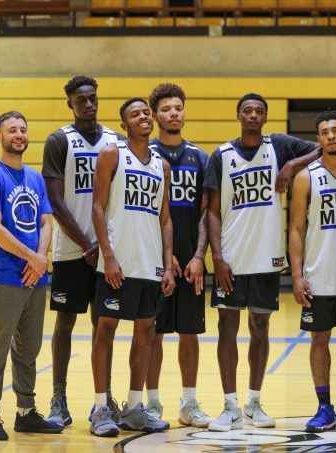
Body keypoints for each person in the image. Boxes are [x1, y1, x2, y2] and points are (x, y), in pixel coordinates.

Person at [203, 93, 320, 431]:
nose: (253, 115)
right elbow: (211, 211)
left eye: (259, 111)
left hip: (267, 257)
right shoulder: (221, 156)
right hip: (231, 258)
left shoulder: (280, 146)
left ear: (265, 117)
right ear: (238, 115)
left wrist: (292, 165)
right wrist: (218, 258)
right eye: (247, 110)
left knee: (260, 327)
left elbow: (322, 149)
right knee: (227, 328)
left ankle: (254, 401)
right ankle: (229, 405)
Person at [89, 98, 175, 437]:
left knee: (146, 333)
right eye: (134, 114)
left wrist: (167, 265)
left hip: (149, 263)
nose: (143, 117)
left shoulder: (162, 165)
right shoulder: (112, 154)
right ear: (124, 125)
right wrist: (107, 256)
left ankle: (134, 408)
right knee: (105, 330)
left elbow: (165, 219)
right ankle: (101, 408)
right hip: (118, 261)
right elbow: (97, 207)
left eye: (145, 112)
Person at [0, 111, 64, 440]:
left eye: (23, 130)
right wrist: (33, 258)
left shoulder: (35, 178)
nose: (19, 135)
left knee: (29, 350)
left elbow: (45, 222)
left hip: (35, 278)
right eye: (12, 130)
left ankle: (26, 412)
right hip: (5, 277)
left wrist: (40, 260)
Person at [41, 75, 123, 426]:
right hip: (72, 251)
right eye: (81, 99)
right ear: (70, 103)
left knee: (104, 325)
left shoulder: (115, 142)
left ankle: (101, 402)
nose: (88, 104)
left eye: (92, 98)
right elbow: (56, 202)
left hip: (106, 252)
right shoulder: (59, 140)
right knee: (65, 323)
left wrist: (101, 246)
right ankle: (58, 399)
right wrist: (86, 244)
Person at [288, 111, 336, 432]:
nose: (331, 136)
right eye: (324, 132)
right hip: (318, 276)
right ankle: (323, 406)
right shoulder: (306, 176)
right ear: (318, 139)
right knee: (318, 339)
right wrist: (296, 275)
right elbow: (295, 228)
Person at [144, 83, 212, 428]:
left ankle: (189, 402)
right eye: (166, 109)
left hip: (190, 261)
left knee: (190, 332)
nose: (173, 113)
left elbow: (205, 212)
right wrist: (163, 253)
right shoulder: (146, 155)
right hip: (153, 258)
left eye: (178, 108)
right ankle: (152, 403)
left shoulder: (200, 158)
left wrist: (199, 256)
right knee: (152, 331)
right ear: (155, 115)